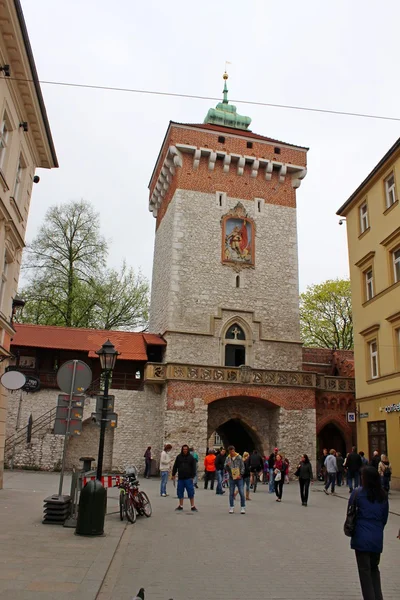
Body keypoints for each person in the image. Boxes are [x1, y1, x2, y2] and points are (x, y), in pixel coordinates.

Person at [348, 466, 388, 600]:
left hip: (361, 537)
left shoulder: (357, 493)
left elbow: (350, 513)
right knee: (374, 569)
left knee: (364, 573)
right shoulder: (382, 495)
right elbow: (384, 518)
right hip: (377, 538)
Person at [172, 445, 198, 512]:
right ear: (182, 450)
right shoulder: (179, 457)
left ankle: (192, 506)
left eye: (186, 449)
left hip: (188, 478)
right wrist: (173, 474)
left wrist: (193, 476)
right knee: (180, 492)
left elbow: (194, 467)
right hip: (181, 478)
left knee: (190, 492)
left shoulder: (191, 458)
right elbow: (175, 466)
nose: (185, 450)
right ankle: (181, 505)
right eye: (184, 449)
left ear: (188, 450)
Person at [224, 445, 246, 514]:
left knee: (241, 492)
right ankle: (231, 507)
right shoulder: (228, 458)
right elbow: (225, 467)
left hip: (239, 477)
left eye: (233, 451)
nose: (232, 453)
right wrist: (227, 465)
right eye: (231, 452)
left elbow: (243, 467)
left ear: (234, 450)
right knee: (231, 493)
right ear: (229, 452)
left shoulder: (239, 457)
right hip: (231, 477)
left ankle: (243, 507)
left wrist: (241, 475)